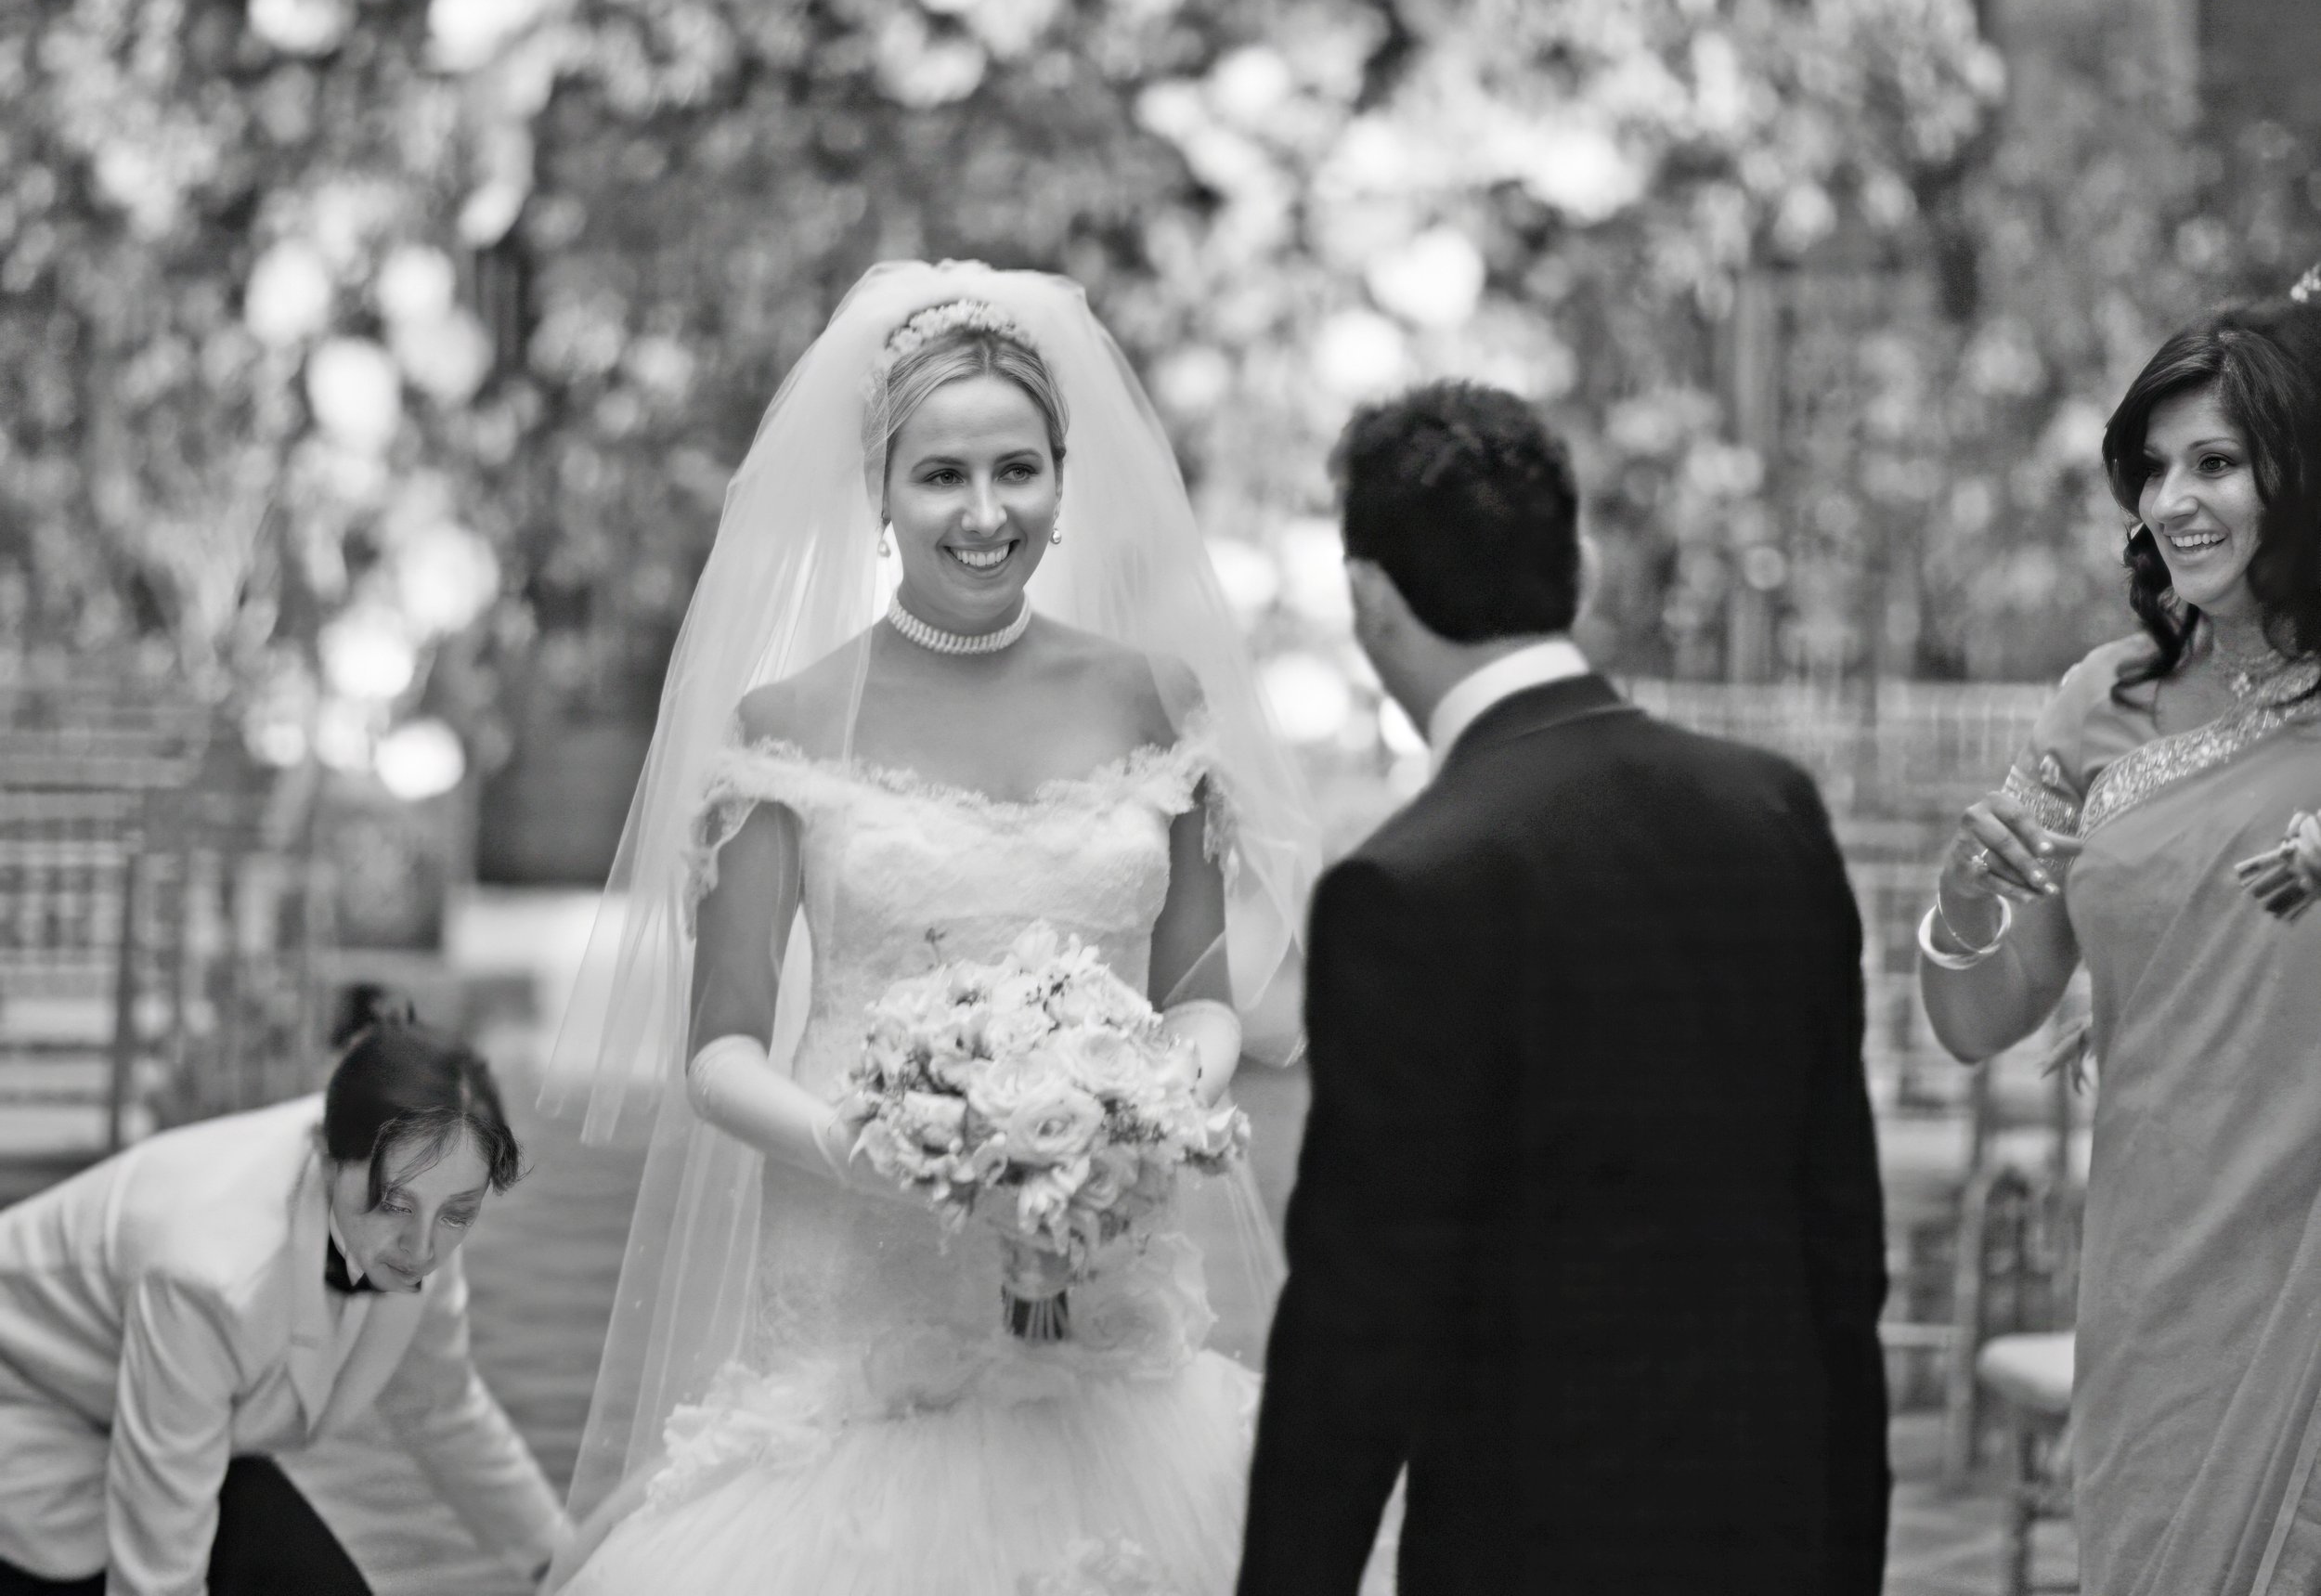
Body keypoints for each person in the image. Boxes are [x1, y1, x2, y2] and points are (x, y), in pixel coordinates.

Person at [539, 263, 1320, 1594]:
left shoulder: (1154, 698)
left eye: (1017, 471)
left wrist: (1131, 1120)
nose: (983, 513)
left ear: (1065, 481)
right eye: (941, 476)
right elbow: (721, 1052)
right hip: (864, 1267)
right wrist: (883, 1152)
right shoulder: (788, 722)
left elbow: (1200, 995)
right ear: (881, 490)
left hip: (1102, 1249)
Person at [1239, 381, 1890, 1594]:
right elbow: (1840, 1240)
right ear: (1575, 567)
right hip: (1779, 1518)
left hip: (1535, 1539)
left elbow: (1363, 1313)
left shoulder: (1405, 885)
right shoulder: (1769, 807)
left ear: (1370, 600)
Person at [1918, 299, 2321, 1596]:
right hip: (2160, 1270)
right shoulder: (2104, 701)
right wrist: (1963, 907)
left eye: (2216, 461)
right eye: (2153, 468)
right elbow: (1984, 1019)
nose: (2173, 501)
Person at [0, 999, 567, 1595]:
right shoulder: (208, 1272)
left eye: (459, 1214)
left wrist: (566, 1566)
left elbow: (441, 1408)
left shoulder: (423, 1204)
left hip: (156, 1424)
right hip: (28, 1410)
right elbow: (157, 1575)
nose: (424, 1247)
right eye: (395, 1206)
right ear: (326, 1158)